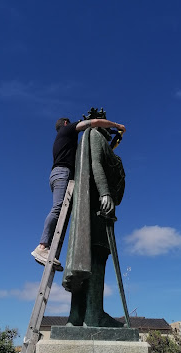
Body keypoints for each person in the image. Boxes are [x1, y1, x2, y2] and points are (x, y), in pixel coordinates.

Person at [31, 112, 126, 269]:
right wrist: (117, 126)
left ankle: (52, 252)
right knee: (58, 209)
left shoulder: (64, 140)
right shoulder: (67, 130)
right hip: (62, 173)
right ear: (67, 123)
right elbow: (94, 122)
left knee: (64, 213)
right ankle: (42, 247)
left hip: (59, 174)